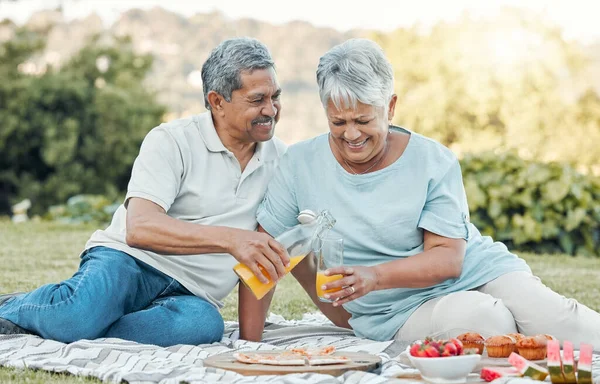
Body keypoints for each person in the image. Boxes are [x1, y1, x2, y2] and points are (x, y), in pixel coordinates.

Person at [239, 38, 600, 348]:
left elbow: (447, 259)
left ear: (390, 107)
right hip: (396, 310)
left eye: (363, 121)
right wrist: (248, 344)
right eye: (338, 123)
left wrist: (374, 276)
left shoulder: (433, 160)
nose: (351, 135)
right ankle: (519, 338)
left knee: (561, 320)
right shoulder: (300, 164)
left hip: (478, 271)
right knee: (487, 323)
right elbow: (264, 257)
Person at [0, 37, 290, 347]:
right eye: (258, 99)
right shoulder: (171, 140)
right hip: (128, 261)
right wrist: (232, 239)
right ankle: (23, 308)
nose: (270, 109)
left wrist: (250, 344)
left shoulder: (282, 162)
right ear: (218, 102)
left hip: (192, 294)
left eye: (275, 97)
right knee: (77, 318)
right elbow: (140, 228)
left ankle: (72, 319)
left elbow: (264, 257)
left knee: (203, 327)